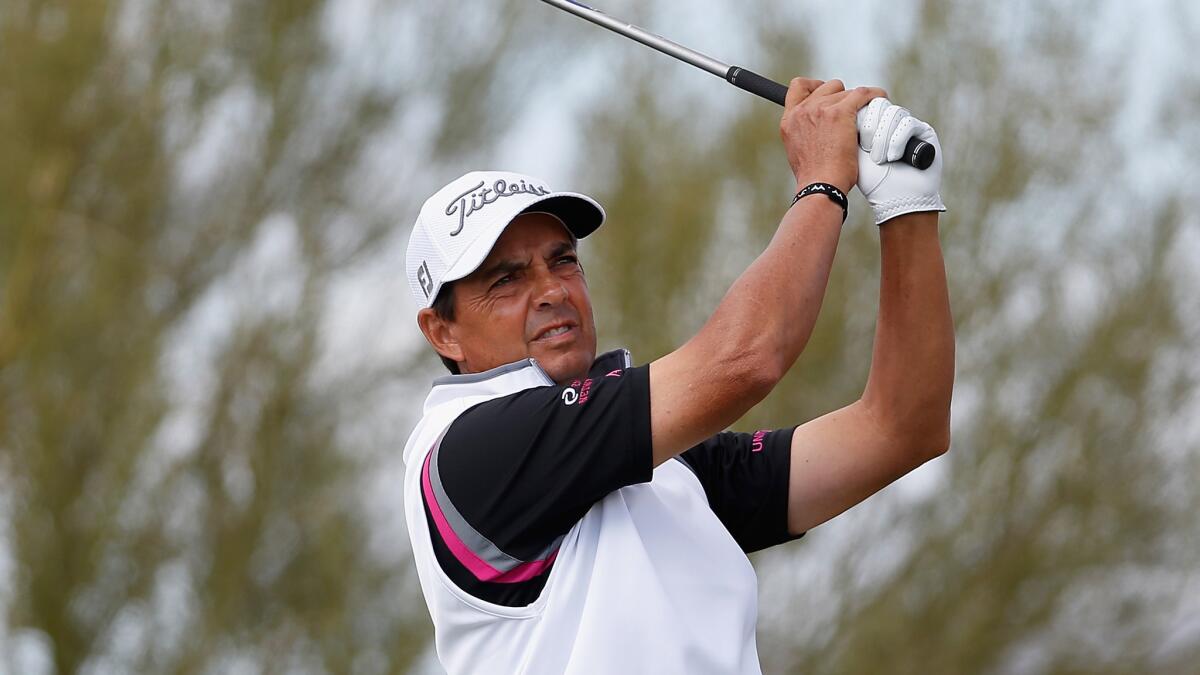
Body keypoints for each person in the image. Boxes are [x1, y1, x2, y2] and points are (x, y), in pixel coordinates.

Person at [401, 78, 954, 674]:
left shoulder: (664, 470)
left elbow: (902, 428)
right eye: (506, 280)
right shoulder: (468, 452)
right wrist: (822, 182)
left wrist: (906, 206)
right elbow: (746, 358)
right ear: (442, 332)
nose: (553, 291)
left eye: (563, 260)